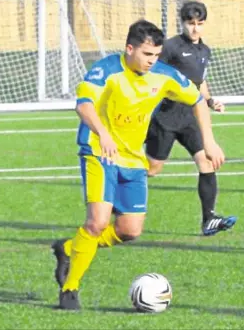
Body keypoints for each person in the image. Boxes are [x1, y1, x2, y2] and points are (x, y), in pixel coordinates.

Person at [51, 19, 225, 310]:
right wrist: (103, 133)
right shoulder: (105, 70)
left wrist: (209, 141)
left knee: (130, 231)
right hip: (99, 152)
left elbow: (196, 100)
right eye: (146, 54)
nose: (152, 61)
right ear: (129, 48)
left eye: (156, 55)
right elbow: (83, 104)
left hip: (132, 158)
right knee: (97, 222)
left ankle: (68, 248)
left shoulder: (164, 75)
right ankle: (70, 288)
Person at [145, 0, 236, 236]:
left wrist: (209, 100)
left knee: (206, 162)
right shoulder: (171, 47)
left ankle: (209, 220)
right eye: (190, 23)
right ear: (182, 23)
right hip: (166, 117)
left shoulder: (204, 51)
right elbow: (153, 74)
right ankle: (116, 190)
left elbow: (200, 81)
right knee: (152, 169)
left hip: (191, 116)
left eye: (200, 23)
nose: (195, 28)